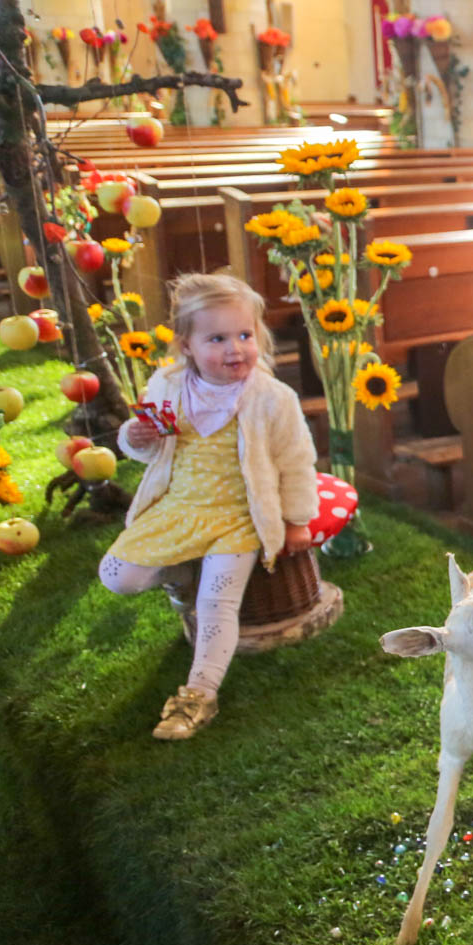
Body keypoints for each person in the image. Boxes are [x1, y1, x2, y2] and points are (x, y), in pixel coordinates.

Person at [100, 274, 318, 741]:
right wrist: (135, 438)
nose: (235, 349)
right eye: (217, 339)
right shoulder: (167, 384)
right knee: (118, 575)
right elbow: (147, 449)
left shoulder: (272, 398)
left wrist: (296, 520)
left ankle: (199, 694)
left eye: (244, 335)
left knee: (216, 604)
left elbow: (297, 461)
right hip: (179, 505)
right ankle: (181, 573)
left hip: (239, 516)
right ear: (187, 345)